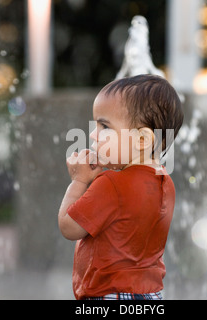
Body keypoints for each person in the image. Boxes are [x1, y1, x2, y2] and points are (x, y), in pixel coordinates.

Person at [58, 74, 184, 300]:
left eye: (104, 126)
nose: (93, 134)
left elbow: (69, 227)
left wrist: (79, 180)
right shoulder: (165, 182)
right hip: (150, 295)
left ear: (143, 140)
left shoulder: (112, 185)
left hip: (109, 294)